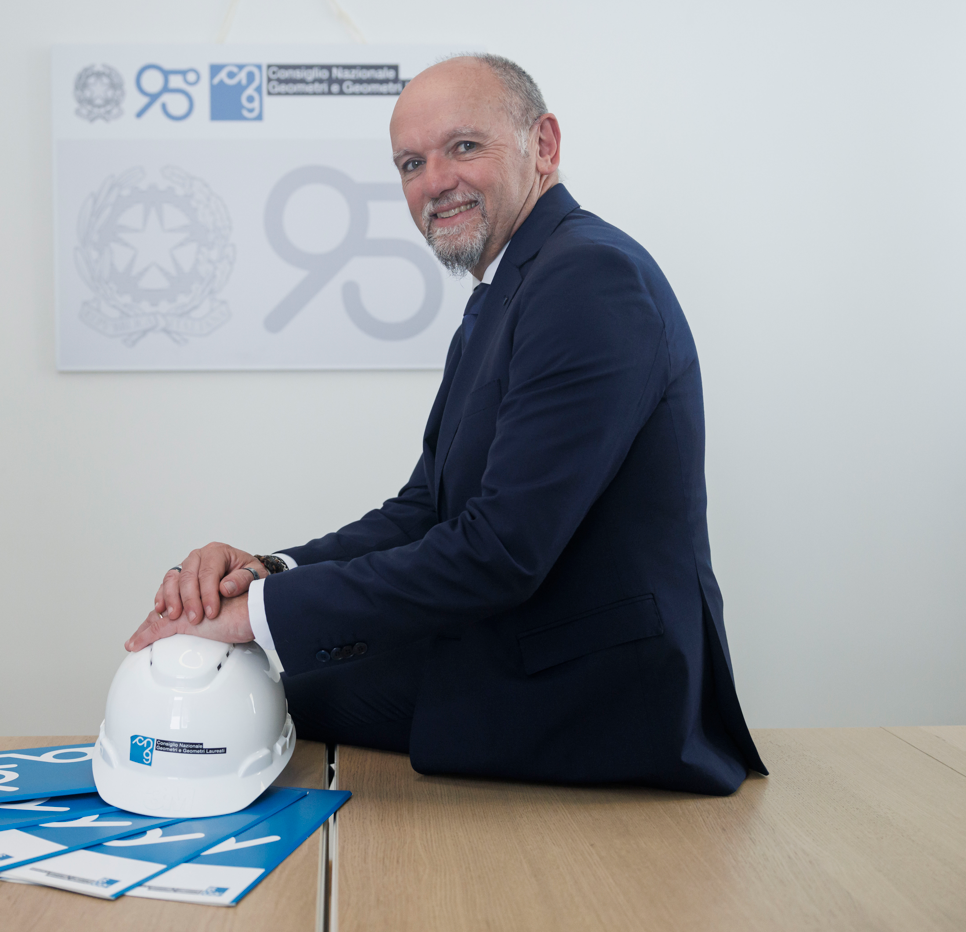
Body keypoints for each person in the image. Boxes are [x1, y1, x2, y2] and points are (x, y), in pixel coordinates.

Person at [125, 54, 766, 795]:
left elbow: (501, 550)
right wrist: (269, 572)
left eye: (463, 147)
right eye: (411, 163)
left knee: (259, 695)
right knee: (261, 688)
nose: (434, 182)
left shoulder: (590, 280)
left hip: (601, 690)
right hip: (526, 646)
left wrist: (254, 617)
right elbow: (425, 509)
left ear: (543, 146)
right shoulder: (507, 289)